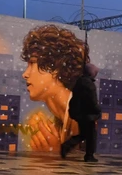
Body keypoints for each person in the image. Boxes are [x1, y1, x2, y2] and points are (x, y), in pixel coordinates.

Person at [20, 25, 87, 153]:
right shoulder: (61, 121)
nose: (25, 74)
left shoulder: (81, 119)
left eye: (32, 64)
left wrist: (55, 156)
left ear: (55, 68)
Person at [62, 62, 101, 162]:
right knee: (91, 135)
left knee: (84, 134)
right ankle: (89, 156)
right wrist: (98, 110)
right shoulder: (89, 84)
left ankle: (66, 146)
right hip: (88, 115)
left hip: (80, 114)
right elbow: (92, 101)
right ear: (91, 73)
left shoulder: (80, 82)